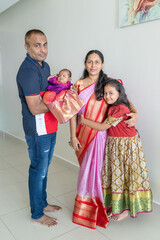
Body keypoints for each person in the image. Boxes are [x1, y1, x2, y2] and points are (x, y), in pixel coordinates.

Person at [69, 50, 138, 229]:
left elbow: (125, 101)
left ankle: (101, 206)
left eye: (97, 62)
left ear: (102, 64)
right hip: (83, 132)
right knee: (86, 171)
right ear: (85, 64)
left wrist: (136, 114)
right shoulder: (78, 85)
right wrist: (73, 136)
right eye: (90, 62)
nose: (93, 65)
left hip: (101, 135)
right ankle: (87, 208)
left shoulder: (107, 84)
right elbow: (73, 114)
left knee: (99, 172)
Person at [78, 78, 152, 221]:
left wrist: (83, 121)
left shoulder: (120, 108)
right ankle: (117, 207)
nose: (107, 96)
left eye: (111, 93)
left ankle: (125, 210)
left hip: (126, 146)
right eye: (105, 93)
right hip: (116, 145)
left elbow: (103, 127)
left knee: (126, 176)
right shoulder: (114, 106)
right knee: (118, 176)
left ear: (120, 93)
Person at [16, 29, 61, 227]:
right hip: (37, 129)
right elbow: (35, 108)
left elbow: (50, 94)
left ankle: (42, 202)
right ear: (26, 47)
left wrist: (63, 90)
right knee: (38, 169)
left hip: (50, 125)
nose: (42, 49)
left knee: (45, 167)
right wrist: (62, 102)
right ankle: (37, 214)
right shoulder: (27, 70)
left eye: (45, 44)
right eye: (37, 45)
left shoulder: (45, 65)